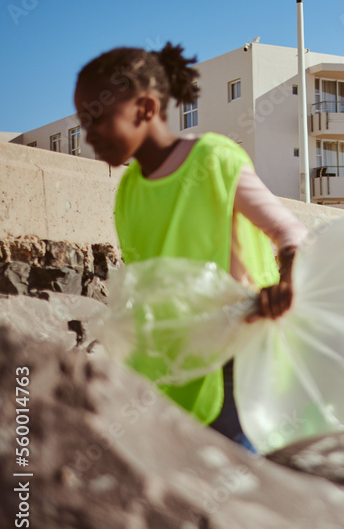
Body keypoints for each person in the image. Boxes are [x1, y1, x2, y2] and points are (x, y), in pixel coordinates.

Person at [74, 43, 309, 450]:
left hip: (238, 358)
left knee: (235, 476)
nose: (88, 135)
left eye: (97, 118)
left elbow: (289, 232)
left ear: (145, 108)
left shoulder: (214, 159)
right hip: (171, 365)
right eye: (83, 122)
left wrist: (286, 284)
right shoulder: (129, 188)